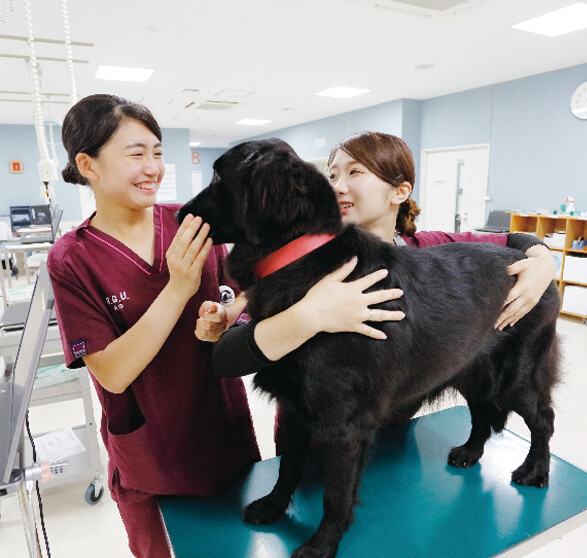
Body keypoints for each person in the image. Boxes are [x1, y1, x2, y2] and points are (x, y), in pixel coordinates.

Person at [46, 94, 262, 558]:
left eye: (158, 152)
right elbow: (114, 371)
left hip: (224, 434)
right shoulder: (72, 260)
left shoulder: (191, 222)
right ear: (88, 165)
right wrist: (180, 288)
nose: (153, 167)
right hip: (154, 458)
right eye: (135, 153)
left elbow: (243, 290)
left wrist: (225, 314)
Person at [198, 131, 556, 380]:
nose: (336, 186)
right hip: (312, 444)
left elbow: (515, 238)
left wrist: (543, 263)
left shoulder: (426, 249)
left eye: (355, 172)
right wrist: (308, 316)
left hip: (393, 434)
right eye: (332, 174)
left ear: (399, 191)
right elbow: (229, 356)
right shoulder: (301, 260)